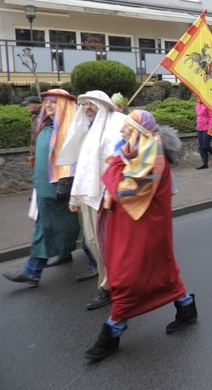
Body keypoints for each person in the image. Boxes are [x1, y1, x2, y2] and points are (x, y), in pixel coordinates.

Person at [84, 110, 198, 361]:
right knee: (165, 273)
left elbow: (127, 191)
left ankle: (112, 333)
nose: (122, 130)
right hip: (134, 228)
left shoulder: (153, 156)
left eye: (127, 126)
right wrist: (118, 158)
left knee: (126, 279)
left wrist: (114, 164)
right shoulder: (135, 151)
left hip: (145, 231)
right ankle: (187, 307)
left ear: (140, 131)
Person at [3, 89, 80, 287]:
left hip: (62, 190)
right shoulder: (45, 126)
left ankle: (33, 271)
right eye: (47, 102)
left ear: (63, 104)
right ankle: (61, 255)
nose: (49, 105)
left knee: (58, 228)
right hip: (44, 188)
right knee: (50, 227)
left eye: (54, 102)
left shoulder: (71, 128)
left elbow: (76, 159)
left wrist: (65, 181)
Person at [57, 90, 126, 309]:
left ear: (103, 105)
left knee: (108, 243)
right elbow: (82, 166)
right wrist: (76, 198)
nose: (86, 107)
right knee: (92, 241)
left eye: (91, 103)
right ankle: (113, 283)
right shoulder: (85, 130)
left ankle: (109, 287)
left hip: (110, 197)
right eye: (84, 104)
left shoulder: (119, 124)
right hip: (88, 195)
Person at [195, 97, 212, 169]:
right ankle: (205, 163)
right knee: (201, 147)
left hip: (208, 128)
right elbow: (199, 116)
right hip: (199, 128)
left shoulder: (208, 104)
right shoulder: (198, 104)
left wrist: (210, 128)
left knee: (206, 145)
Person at [21, 95, 42, 166]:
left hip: (42, 151)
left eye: (29, 105)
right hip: (35, 152)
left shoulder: (44, 116)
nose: (27, 107)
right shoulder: (34, 116)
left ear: (36, 105)